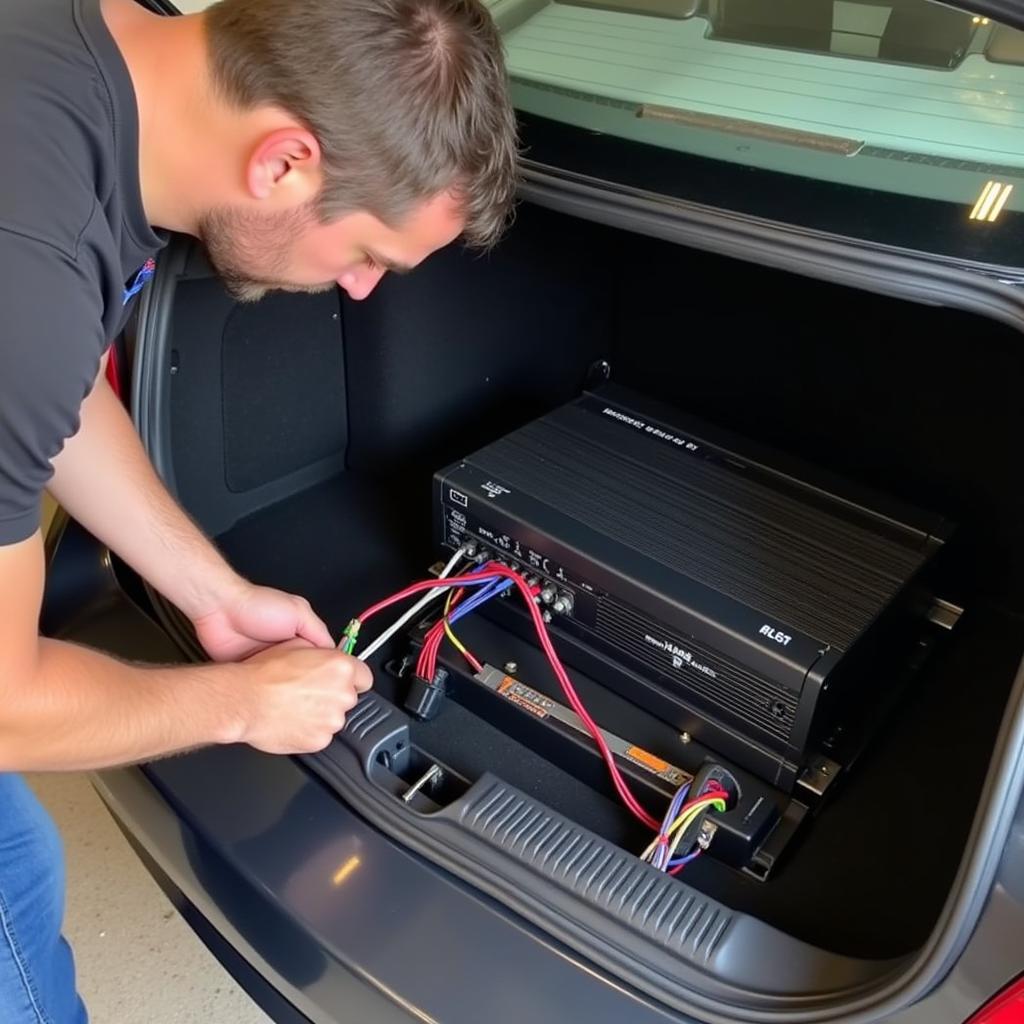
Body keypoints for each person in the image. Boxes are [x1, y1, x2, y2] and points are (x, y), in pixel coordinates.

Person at [0, 0, 518, 1018]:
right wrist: (240, 706)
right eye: (369, 251)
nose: (364, 292)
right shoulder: (22, 266)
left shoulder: (88, 52)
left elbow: (49, 390)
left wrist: (211, 589)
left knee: (23, 859)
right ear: (284, 162)